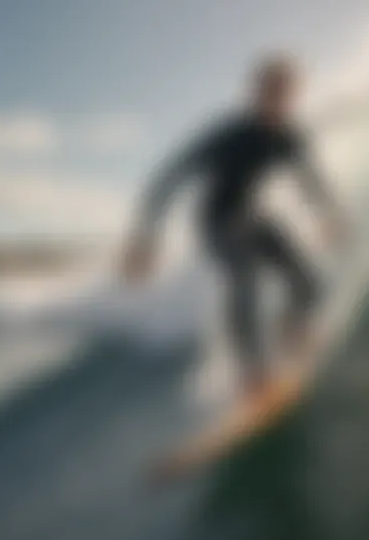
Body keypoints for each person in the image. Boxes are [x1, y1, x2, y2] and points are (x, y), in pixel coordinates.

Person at [122, 55, 348, 398]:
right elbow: (166, 180)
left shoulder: (289, 137)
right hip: (216, 221)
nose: (278, 99)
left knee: (309, 283)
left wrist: (328, 214)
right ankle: (252, 372)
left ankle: (291, 329)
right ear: (255, 92)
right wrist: (145, 240)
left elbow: (310, 180)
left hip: (254, 217)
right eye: (271, 91)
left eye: (286, 92)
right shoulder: (227, 135)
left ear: (294, 95)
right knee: (246, 281)